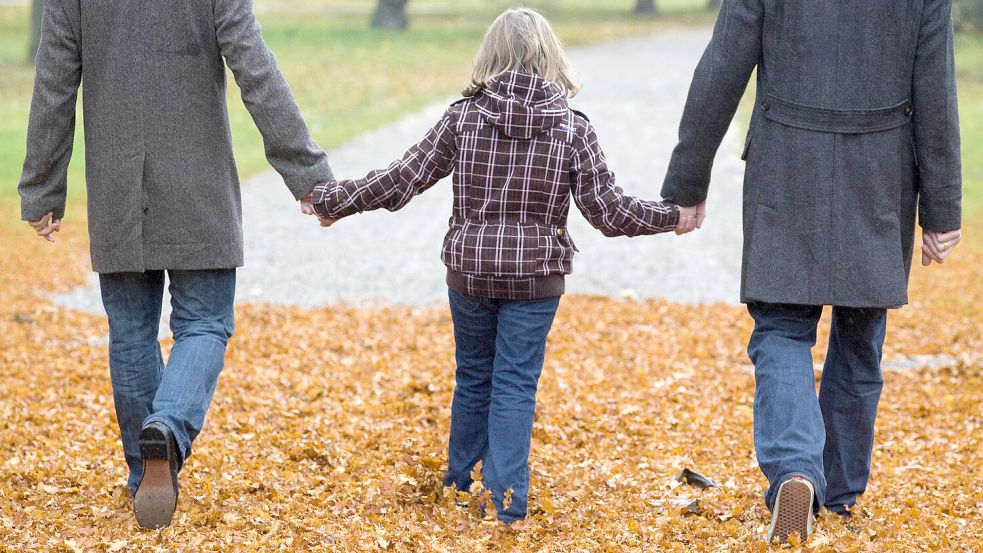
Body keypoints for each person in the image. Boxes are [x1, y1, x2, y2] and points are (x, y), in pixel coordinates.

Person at [309, 7, 681, 524]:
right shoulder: (571, 128)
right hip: (536, 277)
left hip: (470, 271)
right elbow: (610, 212)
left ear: (491, 55)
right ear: (551, 56)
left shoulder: (463, 118)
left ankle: (460, 486)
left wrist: (332, 200)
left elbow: (402, 178)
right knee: (515, 383)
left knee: (474, 376)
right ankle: (506, 501)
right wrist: (673, 216)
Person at [19, 0, 332, 529]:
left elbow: (54, 82)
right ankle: (166, 428)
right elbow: (255, 68)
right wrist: (307, 172)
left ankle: (146, 473)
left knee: (131, 331)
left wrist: (42, 187)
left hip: (118, 187)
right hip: (199, 186)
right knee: (205, 323)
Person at [662, 0, 963, 544]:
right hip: (879, 173)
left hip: (786, 165)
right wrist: (941, 212)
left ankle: (797, 471)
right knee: (860, 331)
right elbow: (936, 95)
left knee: (781, 328)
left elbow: (721, 69)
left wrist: (686, 185)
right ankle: (840, 494)